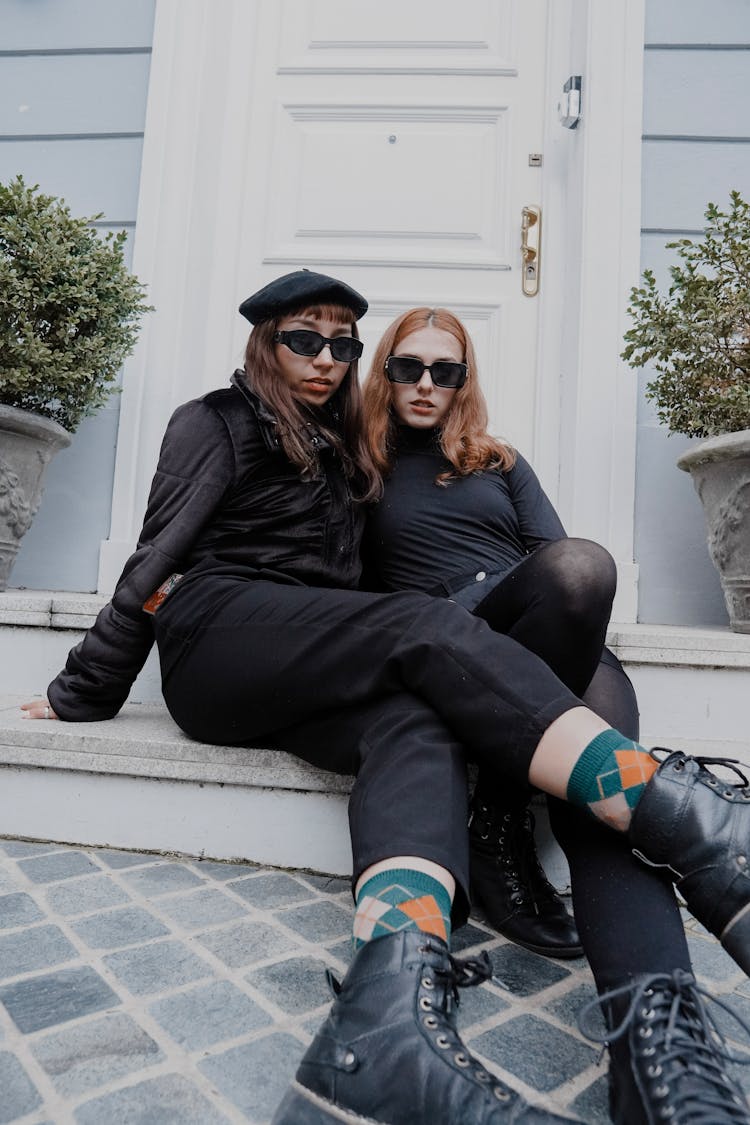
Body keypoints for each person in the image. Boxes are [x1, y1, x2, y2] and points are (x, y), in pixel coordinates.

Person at [22, 273, 750, 1125]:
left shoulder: (351, 448)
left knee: (416, 723)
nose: (327, 359)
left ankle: (384, 1024)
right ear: (264, 341)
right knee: (418, 629)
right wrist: (84, 688)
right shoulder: (217, 420)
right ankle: (680, 812)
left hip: (327, 655)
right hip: (223, 634)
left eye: (343, 345)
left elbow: (527, 562)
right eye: (305, 339)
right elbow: (157, 555)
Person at [361, 305, 750, 1123]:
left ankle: (662, 1057)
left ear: (466, 381)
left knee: (579, 573)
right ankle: (660, 1024)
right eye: (409, 367)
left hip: (542, 638)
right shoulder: (356, 466)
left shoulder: (499, 462)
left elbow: (560, 569)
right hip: (450, 645)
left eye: (447, 370)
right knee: (581, 604)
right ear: (384, 371)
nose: (427, 383)